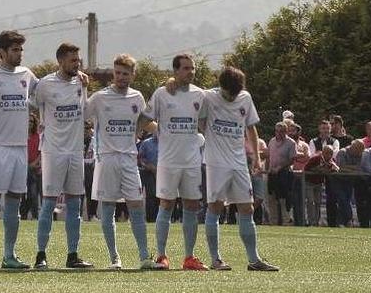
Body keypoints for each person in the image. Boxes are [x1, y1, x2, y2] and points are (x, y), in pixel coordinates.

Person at [198, 67, 278, 271]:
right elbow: (200, 121)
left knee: (247, 208)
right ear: (221, 86)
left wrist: (257, 158)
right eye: (228, 93)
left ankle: (254, 260)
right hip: (216, 162)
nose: (232, 97)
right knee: (215, 207)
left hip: (239, 162)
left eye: (235, 93)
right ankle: (216, 259)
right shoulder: (208, 97)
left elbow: (250, 127)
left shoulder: (245, 98)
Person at [87, 54, 159, 270]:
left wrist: (167, 133)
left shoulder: (137, 97)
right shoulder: (100, 97)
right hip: (107, 158)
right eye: (117, 73)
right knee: (107, 208)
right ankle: (114, 258)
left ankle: (145, 257)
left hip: (129, 159)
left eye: (125, 74)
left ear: (132, 75)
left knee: (137, 204)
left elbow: (144, 124)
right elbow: (81, 115)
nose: (120, 77)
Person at [0, 30, 38, 269]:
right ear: (2, 52)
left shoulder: (28, 75)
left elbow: (46, 91)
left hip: (19, 149)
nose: (19, 54)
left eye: (21, 49)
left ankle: (9, 255)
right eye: (15, 50)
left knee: (14, 203)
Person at [140, 53, 206, 270]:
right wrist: (158, 131)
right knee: (166, 204)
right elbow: (144, 119)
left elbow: (205, 123)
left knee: (192, 206)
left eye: (192, 68)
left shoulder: (200, 95)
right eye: (186, 68)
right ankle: (161, 255)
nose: (191, 72)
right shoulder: (162, 93)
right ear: (176, 71)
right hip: (168, 161)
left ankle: (189, 257)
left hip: (192, 161)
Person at [31, 43, 93, 270]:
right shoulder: (46, 84)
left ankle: (73, 254)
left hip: (75, 152)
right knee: (48, 204)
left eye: (78, 60)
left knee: (75, 204)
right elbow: (31, 106)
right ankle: (40, 255)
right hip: (53, 151)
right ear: (61, 61)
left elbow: (85, 112)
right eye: (72, 60)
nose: (77, 64)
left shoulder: (81, 82)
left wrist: (86, 88)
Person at [266, 122, 295, 225]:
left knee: (284, 198)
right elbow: (268, 157)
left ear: (286, 132)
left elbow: (292, 160)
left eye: (281, 131)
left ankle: (286, 221)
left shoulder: (291, 143)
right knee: (271, 198)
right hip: (272, 174)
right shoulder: (272, 141)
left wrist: (280, 167)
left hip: (285, 174)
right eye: (277, 131)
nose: (279, 133)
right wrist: (268, 169)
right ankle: (273, 221)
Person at [333, 140, 365, 227]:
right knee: (343, 200)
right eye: (358, 150)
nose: (359, 153)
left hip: (350, 181)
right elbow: (341, 167)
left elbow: (359, 167)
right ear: (353, 147)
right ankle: (349, 219)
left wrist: (349, 168)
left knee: (345, 201)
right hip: (338, 181)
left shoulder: (359, 154)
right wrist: (353, 169)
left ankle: (341, 222)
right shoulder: (342, 152)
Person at [20, 113, 41, 220]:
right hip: (22, 168)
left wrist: (35, 163)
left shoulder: (37, 136)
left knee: (33, 194)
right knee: (22, 194)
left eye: (32, 121)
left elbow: (40, 152)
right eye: (28, 121)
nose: (30, 123)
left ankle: (35, 216)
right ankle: (23, 215)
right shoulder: (20, 135)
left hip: (34, 169)